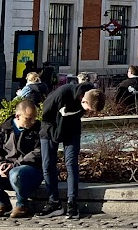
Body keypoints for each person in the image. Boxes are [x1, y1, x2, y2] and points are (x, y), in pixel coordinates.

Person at [40, 73, 98, 218]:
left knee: (71, 163)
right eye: (88, 109)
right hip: (50, 127)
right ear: (82, 100)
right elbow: (45, 114)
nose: (87, 112)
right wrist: (57, 129)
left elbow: (80, 113)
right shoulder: (62, 93)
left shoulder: (91, 94)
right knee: (48, 164)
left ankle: (72, 202)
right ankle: (54, 202)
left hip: (72, 129)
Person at [0, 99, 44, 218]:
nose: (33, 121)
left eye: (34, 117)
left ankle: (22, 204)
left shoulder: (38, 129)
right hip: (7, 169)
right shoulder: (3, 128)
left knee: (16, 173)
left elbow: (38, 152)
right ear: (18, 116)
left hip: (29, 171)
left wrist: (15, 165)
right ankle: (3, 203)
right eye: (28, 118)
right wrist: (1, 164)